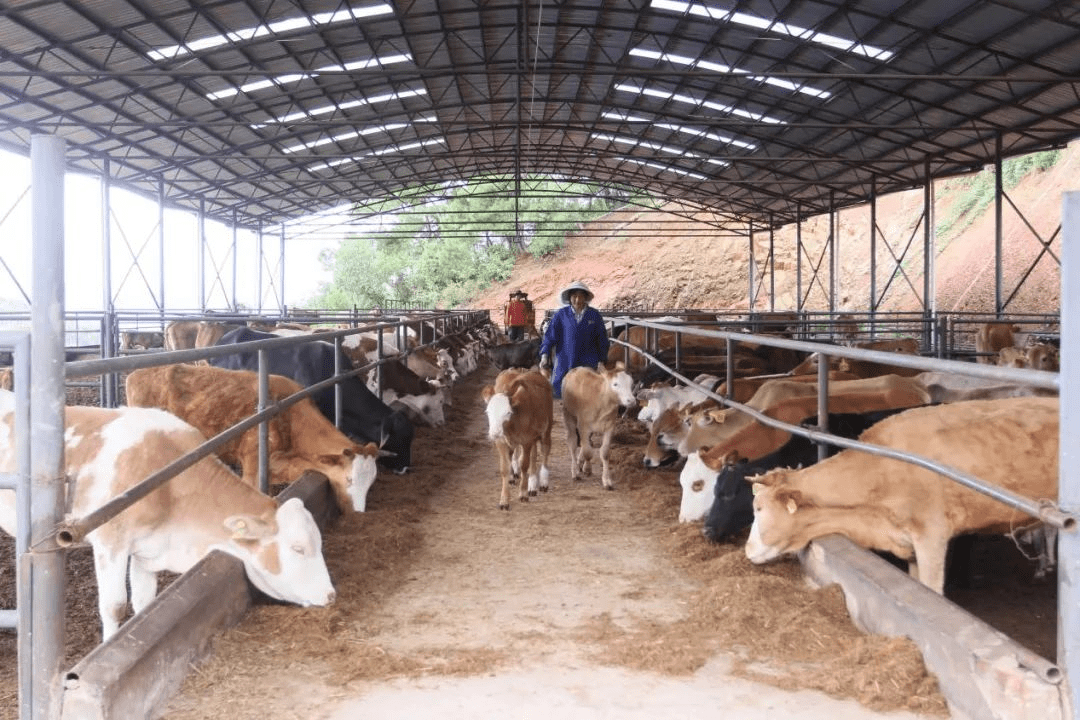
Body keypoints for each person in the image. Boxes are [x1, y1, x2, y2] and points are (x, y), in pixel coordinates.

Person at [538, 281, 610, 399]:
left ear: (586, 297)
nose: (577, 300)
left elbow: (602, 339)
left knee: (586, 393)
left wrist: (601, 360)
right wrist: (544, 355)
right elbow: (550, 336)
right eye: (574, 296)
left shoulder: (594, 315)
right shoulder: (561, 315)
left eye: (581, 296)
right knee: (559, 390)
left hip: (588, 360)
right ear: (569, 298)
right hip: (565, 359)